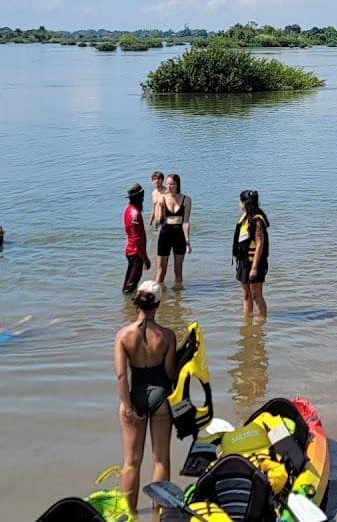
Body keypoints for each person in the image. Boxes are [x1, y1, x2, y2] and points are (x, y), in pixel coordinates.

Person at [114, 281, 177, 514]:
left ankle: (129, 515)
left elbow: (121, 375)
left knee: (131, 461)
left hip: (134, 396)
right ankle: (158, 514)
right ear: (158, 304)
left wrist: (128, 406)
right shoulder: (168, 336)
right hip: (161, 398)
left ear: (137, 302)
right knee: (161, 459)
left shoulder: (123, 335)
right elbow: (170, 373)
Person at [232, 190, 269, 317]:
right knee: (246, 294)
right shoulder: (244, 219)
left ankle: (261, 322)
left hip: (255, 263)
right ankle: (247, 322)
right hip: (243, 262)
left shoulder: (257, 221)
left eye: (240, 201)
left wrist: (254, 268)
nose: (239, 204)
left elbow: (260, 244)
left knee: (256, 295)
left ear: (245, 203)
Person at [154, 173, 192, 287]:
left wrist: (187, 241)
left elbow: (185, 222)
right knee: (161, 271)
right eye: (168, 184)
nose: (169, 186)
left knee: (178, 271)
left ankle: (178, 300)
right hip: (165, 233)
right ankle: (157, 296)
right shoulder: (162, 198)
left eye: (172, 184)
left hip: (179, 234)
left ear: (177, 185)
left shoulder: (186, 200)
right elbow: (158, 221)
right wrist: (160, 208)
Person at [122, 184, 150, 294]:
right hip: (135, 253)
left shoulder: (127, 209)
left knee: (129, 282)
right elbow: (137, 240)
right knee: (130, 286)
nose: (143, 199)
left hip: (130, 251)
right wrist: (145, 259)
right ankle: (129, 307)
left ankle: (127, 308)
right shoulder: (136, 214)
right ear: (137, 198)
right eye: (142, 196)